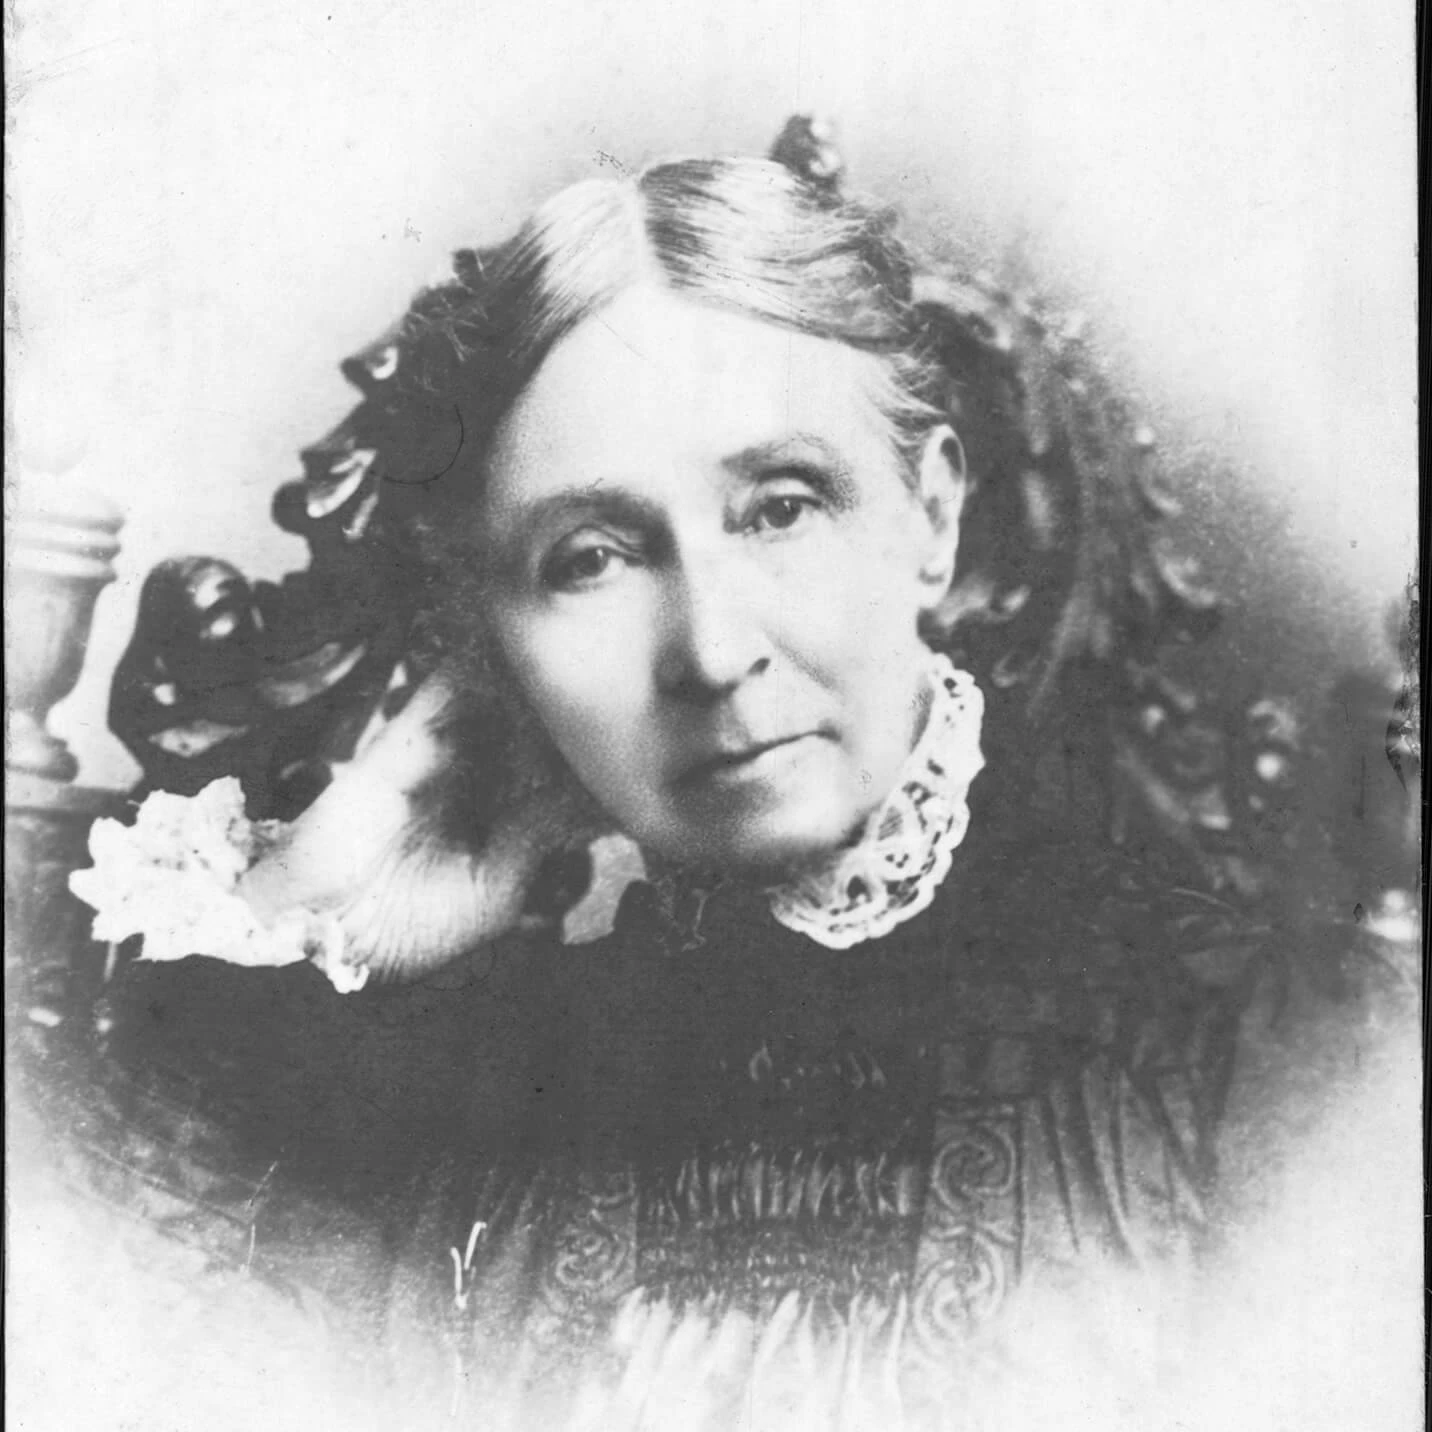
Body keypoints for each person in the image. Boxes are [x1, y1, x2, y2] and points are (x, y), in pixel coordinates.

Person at [55, 123, 1414, 1430]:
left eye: (780, 505)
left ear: (931, 519)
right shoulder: (452, 1105)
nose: (710, 648)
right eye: (590, 557)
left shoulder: (1277, 1057)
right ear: (494, 641)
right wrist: (315, 903)